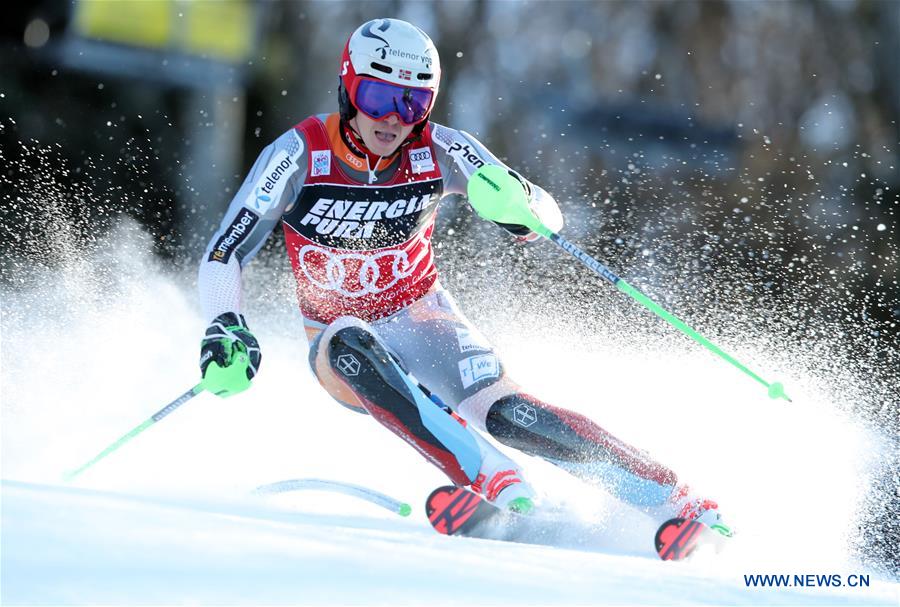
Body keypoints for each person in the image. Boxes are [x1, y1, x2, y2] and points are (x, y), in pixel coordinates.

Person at [198, 18, 725, 528]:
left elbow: (546, 212)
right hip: (341, 348)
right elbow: (225, 251)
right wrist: (224, 324)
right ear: (348, 87)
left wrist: (518, 205)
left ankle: (672, 498)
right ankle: (496, 480)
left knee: (511, 415)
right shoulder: (298, 153)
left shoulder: (441, 148)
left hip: (423, 319)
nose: (393, 118)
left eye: (414, 102)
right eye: (377, 97)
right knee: (347, 340)